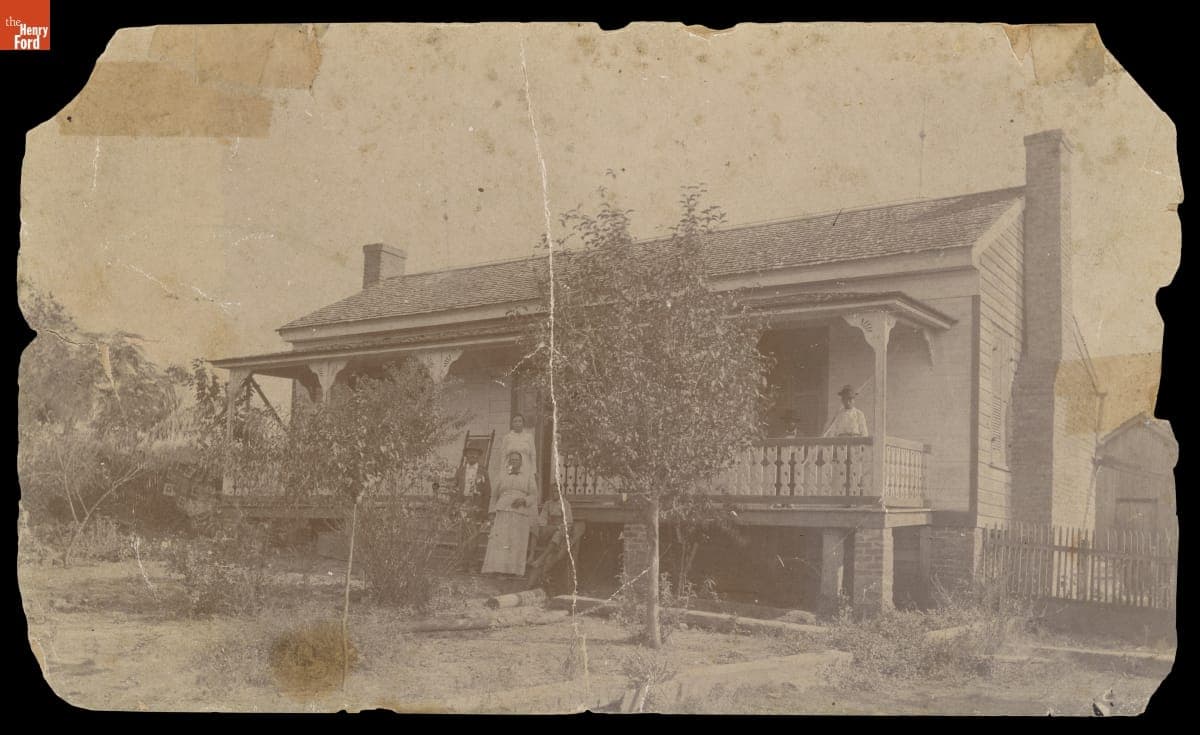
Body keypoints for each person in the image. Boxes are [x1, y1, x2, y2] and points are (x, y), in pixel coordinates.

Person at [481, 451, 538, 576]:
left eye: (516, 460)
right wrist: (491, 512)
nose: (514, 462)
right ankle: (497, 570)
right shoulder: (502, 475)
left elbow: (534, 495)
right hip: (503, 510)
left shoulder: (528, 476)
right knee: (501, 541)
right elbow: (494, 495)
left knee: (515, 541)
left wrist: (524, 500)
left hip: (520, 511)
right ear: (508, 462)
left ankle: (513, 571)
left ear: (521, 462)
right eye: (511, 460)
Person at [454, 446, 491, 519]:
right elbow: (454, 488)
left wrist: (484, 510)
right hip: (461, 504)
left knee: (471, 528)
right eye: (470, 453)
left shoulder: (483, 472)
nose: (473, 455)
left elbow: (487, 492)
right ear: (466, 455)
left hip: (476, 505)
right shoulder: (460, 471)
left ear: (479, 456)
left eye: (475, 453)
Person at [498, 413, 537, 482]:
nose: (517, 423)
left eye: (519, 421)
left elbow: (533, 455)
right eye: (515, 421)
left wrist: (534, 471)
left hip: (525, 467)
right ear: (512, 424)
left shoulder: (529, 437)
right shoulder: (507, 437)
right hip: (510, 467)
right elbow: (503, 455)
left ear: (523, 423)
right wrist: (502, 471)